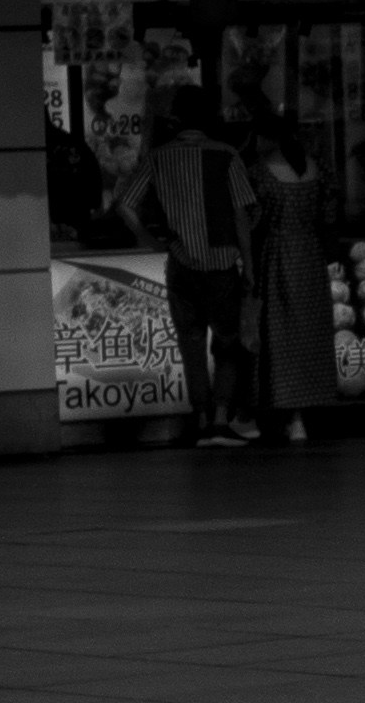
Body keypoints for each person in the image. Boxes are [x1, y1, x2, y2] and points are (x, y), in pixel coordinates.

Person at [143, 88, 257, 446]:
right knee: (226, 344)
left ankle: (203, 419)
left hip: (181, 265)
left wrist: (150, 241)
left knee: (191, 344)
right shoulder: (226, 155)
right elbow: (241, 212)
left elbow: (125, 205)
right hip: (222, 265)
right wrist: (249, 265)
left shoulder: (158, 157)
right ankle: (222, 421)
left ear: (177, 117)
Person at [247, 116, 338, 446]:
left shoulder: (259, 172)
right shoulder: (317, 168)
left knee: (279, 336)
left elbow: (251, 219)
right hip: (310, 257)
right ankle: (308, 412)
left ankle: (287, 415)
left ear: (266, 138)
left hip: (277, 256)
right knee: (309, 334)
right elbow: (328, 216)